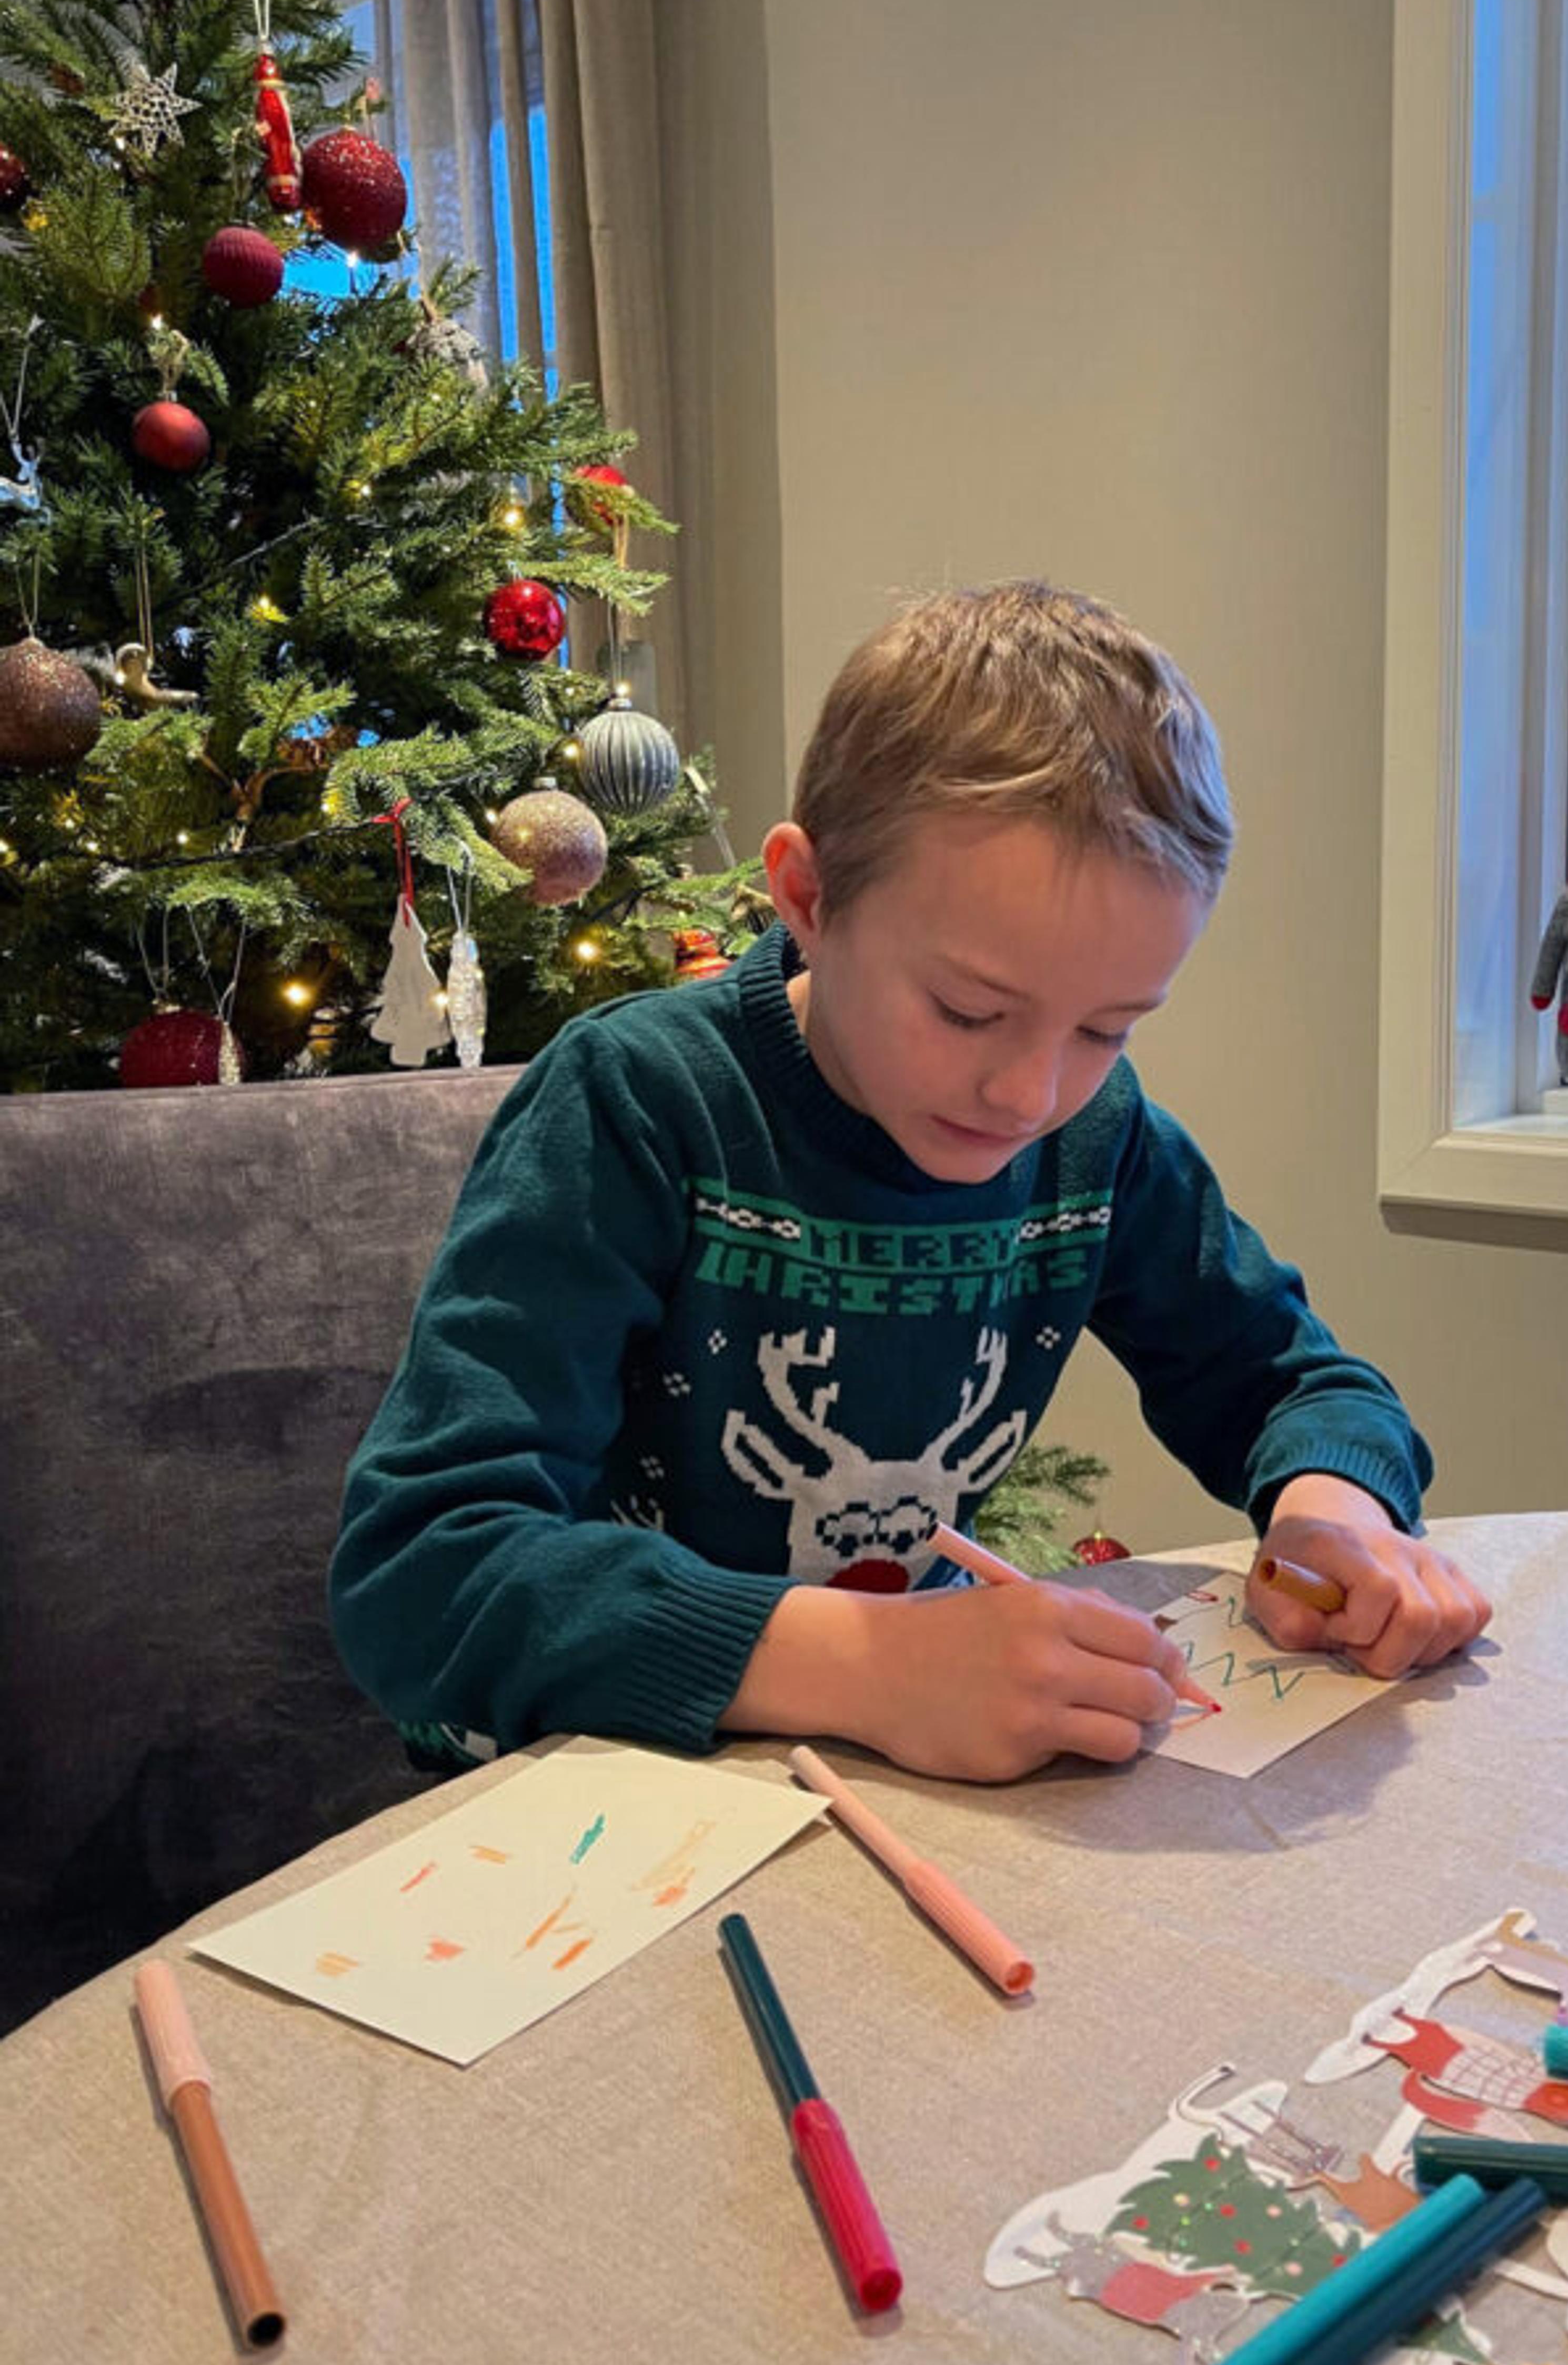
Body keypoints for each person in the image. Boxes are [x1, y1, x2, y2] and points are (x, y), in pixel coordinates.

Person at [330, 581, 1490, 1782]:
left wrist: (1332, 1510)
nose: (1030, 1095)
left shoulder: (1096, 1143)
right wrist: (872, 1663)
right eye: (969, 1010)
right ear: (808, 897)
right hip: (577, 1792)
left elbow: (1297, 1381)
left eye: (1108, 1028)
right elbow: (421, 1573)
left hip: (873, 1773)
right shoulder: (640, 1101)